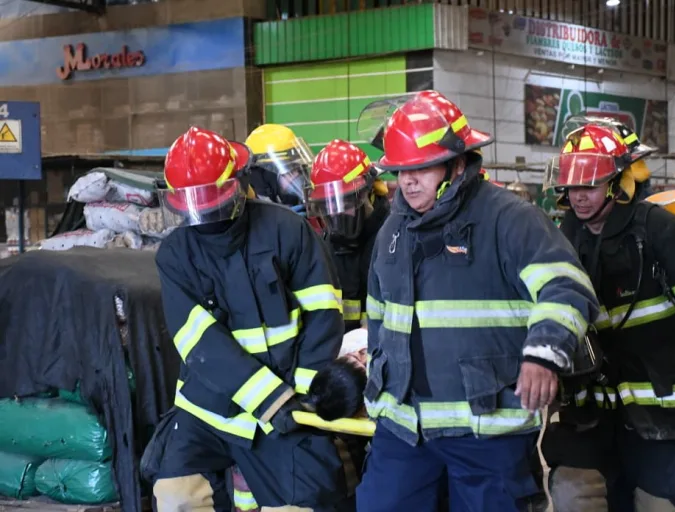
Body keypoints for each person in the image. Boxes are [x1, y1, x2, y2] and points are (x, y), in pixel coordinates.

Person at [355, 90, 599, 511]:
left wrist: (542, 356)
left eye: (421, 167)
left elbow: (566, 286)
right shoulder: (392, 230)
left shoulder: (510, 218)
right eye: (399, 171)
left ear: (458, 162)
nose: (407, 181)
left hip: (488, 429)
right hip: (402, 429)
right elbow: (378, 315)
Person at [148, 126, 352, 511]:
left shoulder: (288, 231)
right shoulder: (175, 254)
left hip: (288, 399)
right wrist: (271, 399)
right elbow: (201, 343)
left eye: (213, 203)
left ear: (239, 185)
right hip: (209, 407)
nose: (204, 217)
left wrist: (304, 393)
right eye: (194, 206)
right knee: (175, 497)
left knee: (308, 502)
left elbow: (324, 315)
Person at [544, 121, 675, 511]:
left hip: (662, 406)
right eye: (571, 186)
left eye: (589, 186)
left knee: (659, 504)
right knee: (575, 493)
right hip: (591, 409)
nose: (577, 197)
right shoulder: (564, 238)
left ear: (619, 182)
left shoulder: (665, 232)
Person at [307, 139, 390, 332]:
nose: (336, 214)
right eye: (327, 206)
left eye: (345, 202)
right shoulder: (326, 246)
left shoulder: (393, 238)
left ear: (369, 192)